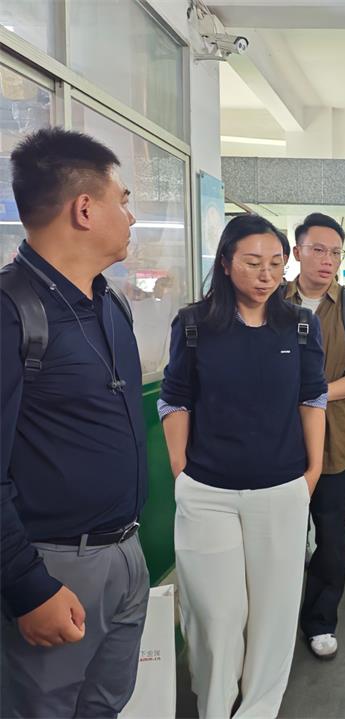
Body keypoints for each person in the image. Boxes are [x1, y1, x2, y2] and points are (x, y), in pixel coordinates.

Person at [1, 128, 149, 717]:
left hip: (126, 552)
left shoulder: (111, 305)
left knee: (106, 703)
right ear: (85, 209)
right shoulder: (12, 313)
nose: (131, 217)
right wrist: (27, 585)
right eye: (123, 200)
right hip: (52, 567)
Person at [159, 214, 327, 719]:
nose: (266, 275)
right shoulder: (194, 324)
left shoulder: (300, 325)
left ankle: (257, 710)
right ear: (226, 262)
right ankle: (215, 707)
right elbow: (175, 398)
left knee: (274, 615)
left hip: (281, 489)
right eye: (253, 263)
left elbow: (312, 398)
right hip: (207, 492)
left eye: (276, 263)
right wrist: (181, 469)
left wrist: (312, 471)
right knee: (215, 615)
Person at [284, 213, 345, 660]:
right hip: (277, 441)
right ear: (297, 251)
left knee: (331, 537)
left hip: (334, 442)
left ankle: (321, 619)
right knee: (281, 536)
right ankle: (277, 617)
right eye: (318, 250)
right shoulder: (273, 300)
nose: (327, 260)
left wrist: (316, 392)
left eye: (336, 252)